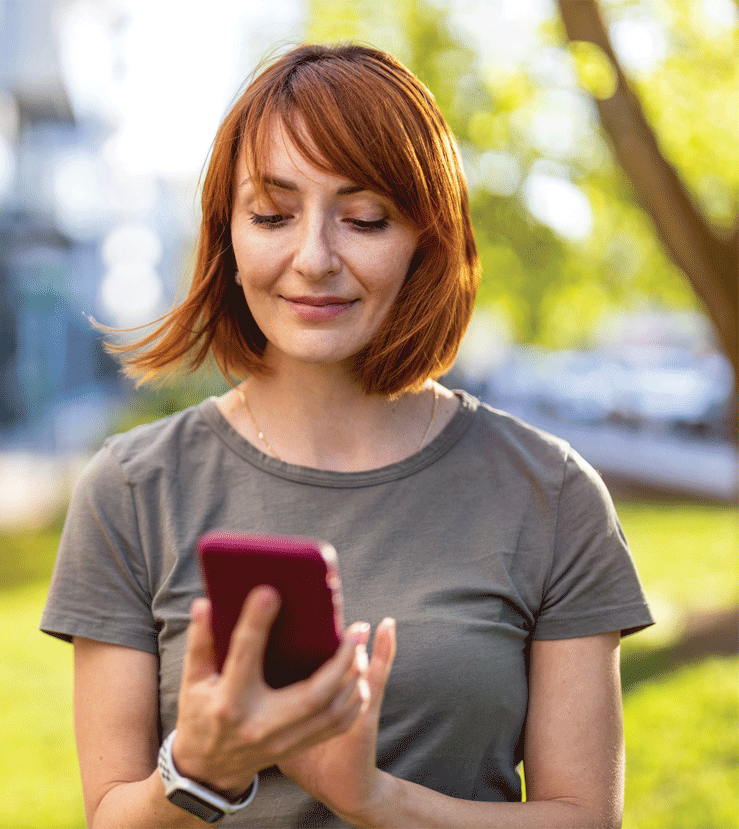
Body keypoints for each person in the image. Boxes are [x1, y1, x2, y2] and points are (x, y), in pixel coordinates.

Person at [41, 43, 654, 828]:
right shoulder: (130, 490)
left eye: (364, 218)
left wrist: (375, 797)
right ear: (226, 236)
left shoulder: (551, 492)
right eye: (272, 214)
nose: (314, 258)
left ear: (425, 242)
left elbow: (585, 818)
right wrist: (198, 771)